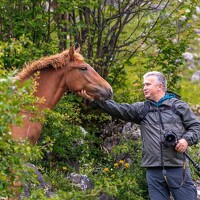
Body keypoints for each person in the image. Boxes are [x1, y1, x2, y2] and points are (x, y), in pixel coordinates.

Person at [78, 71, 200, 200]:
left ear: (159, 86)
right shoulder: (141, 109)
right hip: (153, 170)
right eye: (143, 85)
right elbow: (118, 109)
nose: (144, 88)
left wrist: (186, 140)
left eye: (148, 84)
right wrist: (94, 100)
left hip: (177, 167)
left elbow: (196, 127)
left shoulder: (178, 106)